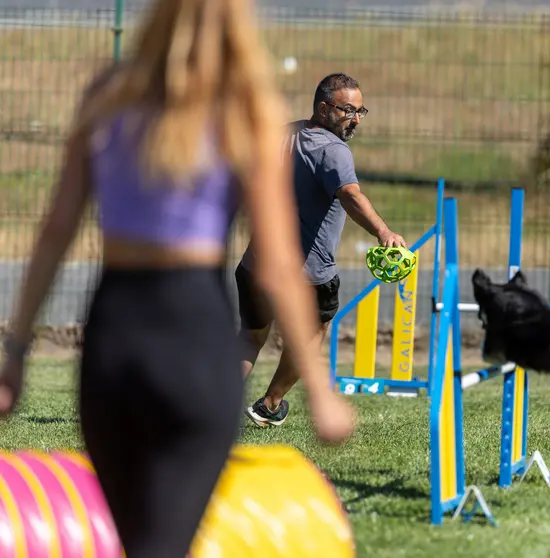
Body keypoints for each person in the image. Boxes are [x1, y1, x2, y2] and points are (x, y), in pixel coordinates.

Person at [0, 0, 355, 556]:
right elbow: (283, 265)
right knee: (169, 540)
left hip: (116, 338)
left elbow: (54, 235)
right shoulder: (247, 106)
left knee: (132, 535)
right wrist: (319, 392)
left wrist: (16, 352)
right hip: (194, 340)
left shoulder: (108, 93)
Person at [236, 73, 406, 427]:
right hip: (309, 275)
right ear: (325, 108)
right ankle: (270, 404)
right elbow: (351, 196)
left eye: (361, 111)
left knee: (251, 337)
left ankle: (214, 405)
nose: (356, 119)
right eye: (348, 110)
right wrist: (383, 231)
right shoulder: (333, 151)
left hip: (257, 265)